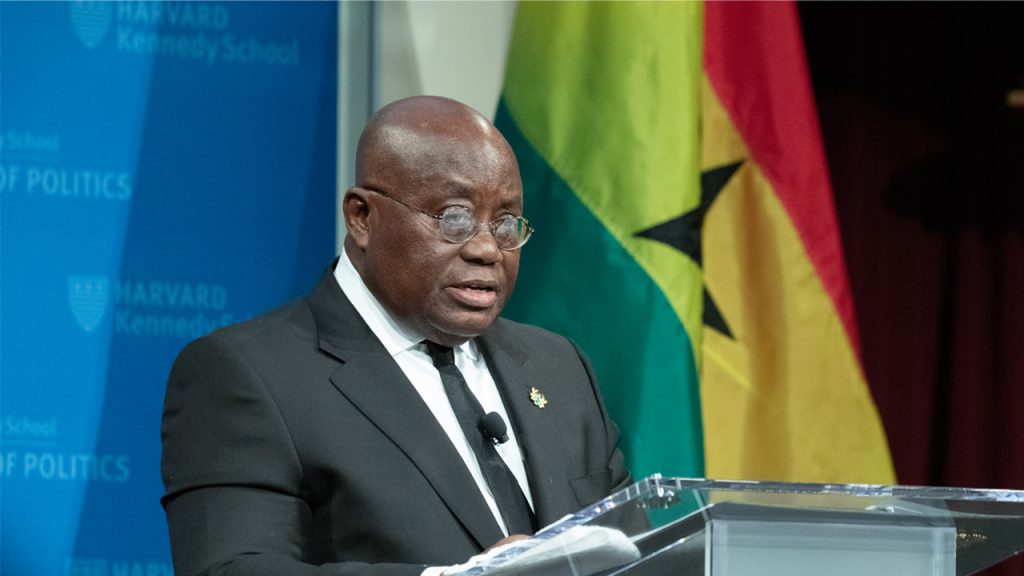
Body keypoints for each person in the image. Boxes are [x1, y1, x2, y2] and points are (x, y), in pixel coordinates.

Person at [160, 96, 631, 576]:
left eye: (506, 223)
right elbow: (230, 569)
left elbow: (634, 553)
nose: (489, 249)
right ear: (362, 217)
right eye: (454, 218)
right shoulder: (248, 375)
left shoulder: (558, 366)